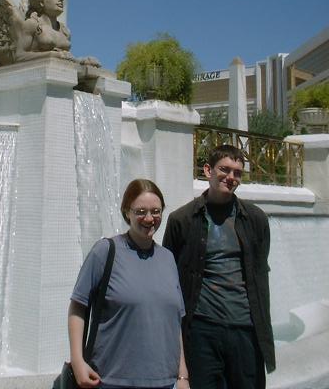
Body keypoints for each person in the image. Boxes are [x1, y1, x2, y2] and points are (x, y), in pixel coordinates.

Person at [163, 145, 275, 389]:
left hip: (246, 328)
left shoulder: (256, 219)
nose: (231, 177)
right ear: (208, 170)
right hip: (202, 330)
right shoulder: (181, 220)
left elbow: (258, 273)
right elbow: (169, 279)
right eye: (224, 169)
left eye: (237, 172)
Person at [68, 178, 190, 389]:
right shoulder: (105, 251)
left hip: (165, 382)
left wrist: (182, 376)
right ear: (127, 212)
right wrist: (78, 361)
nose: (149, 218)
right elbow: (78, 306)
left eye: (156, 211)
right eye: (141, 211)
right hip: (110, 380)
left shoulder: (168, 258)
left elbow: (174, 322)